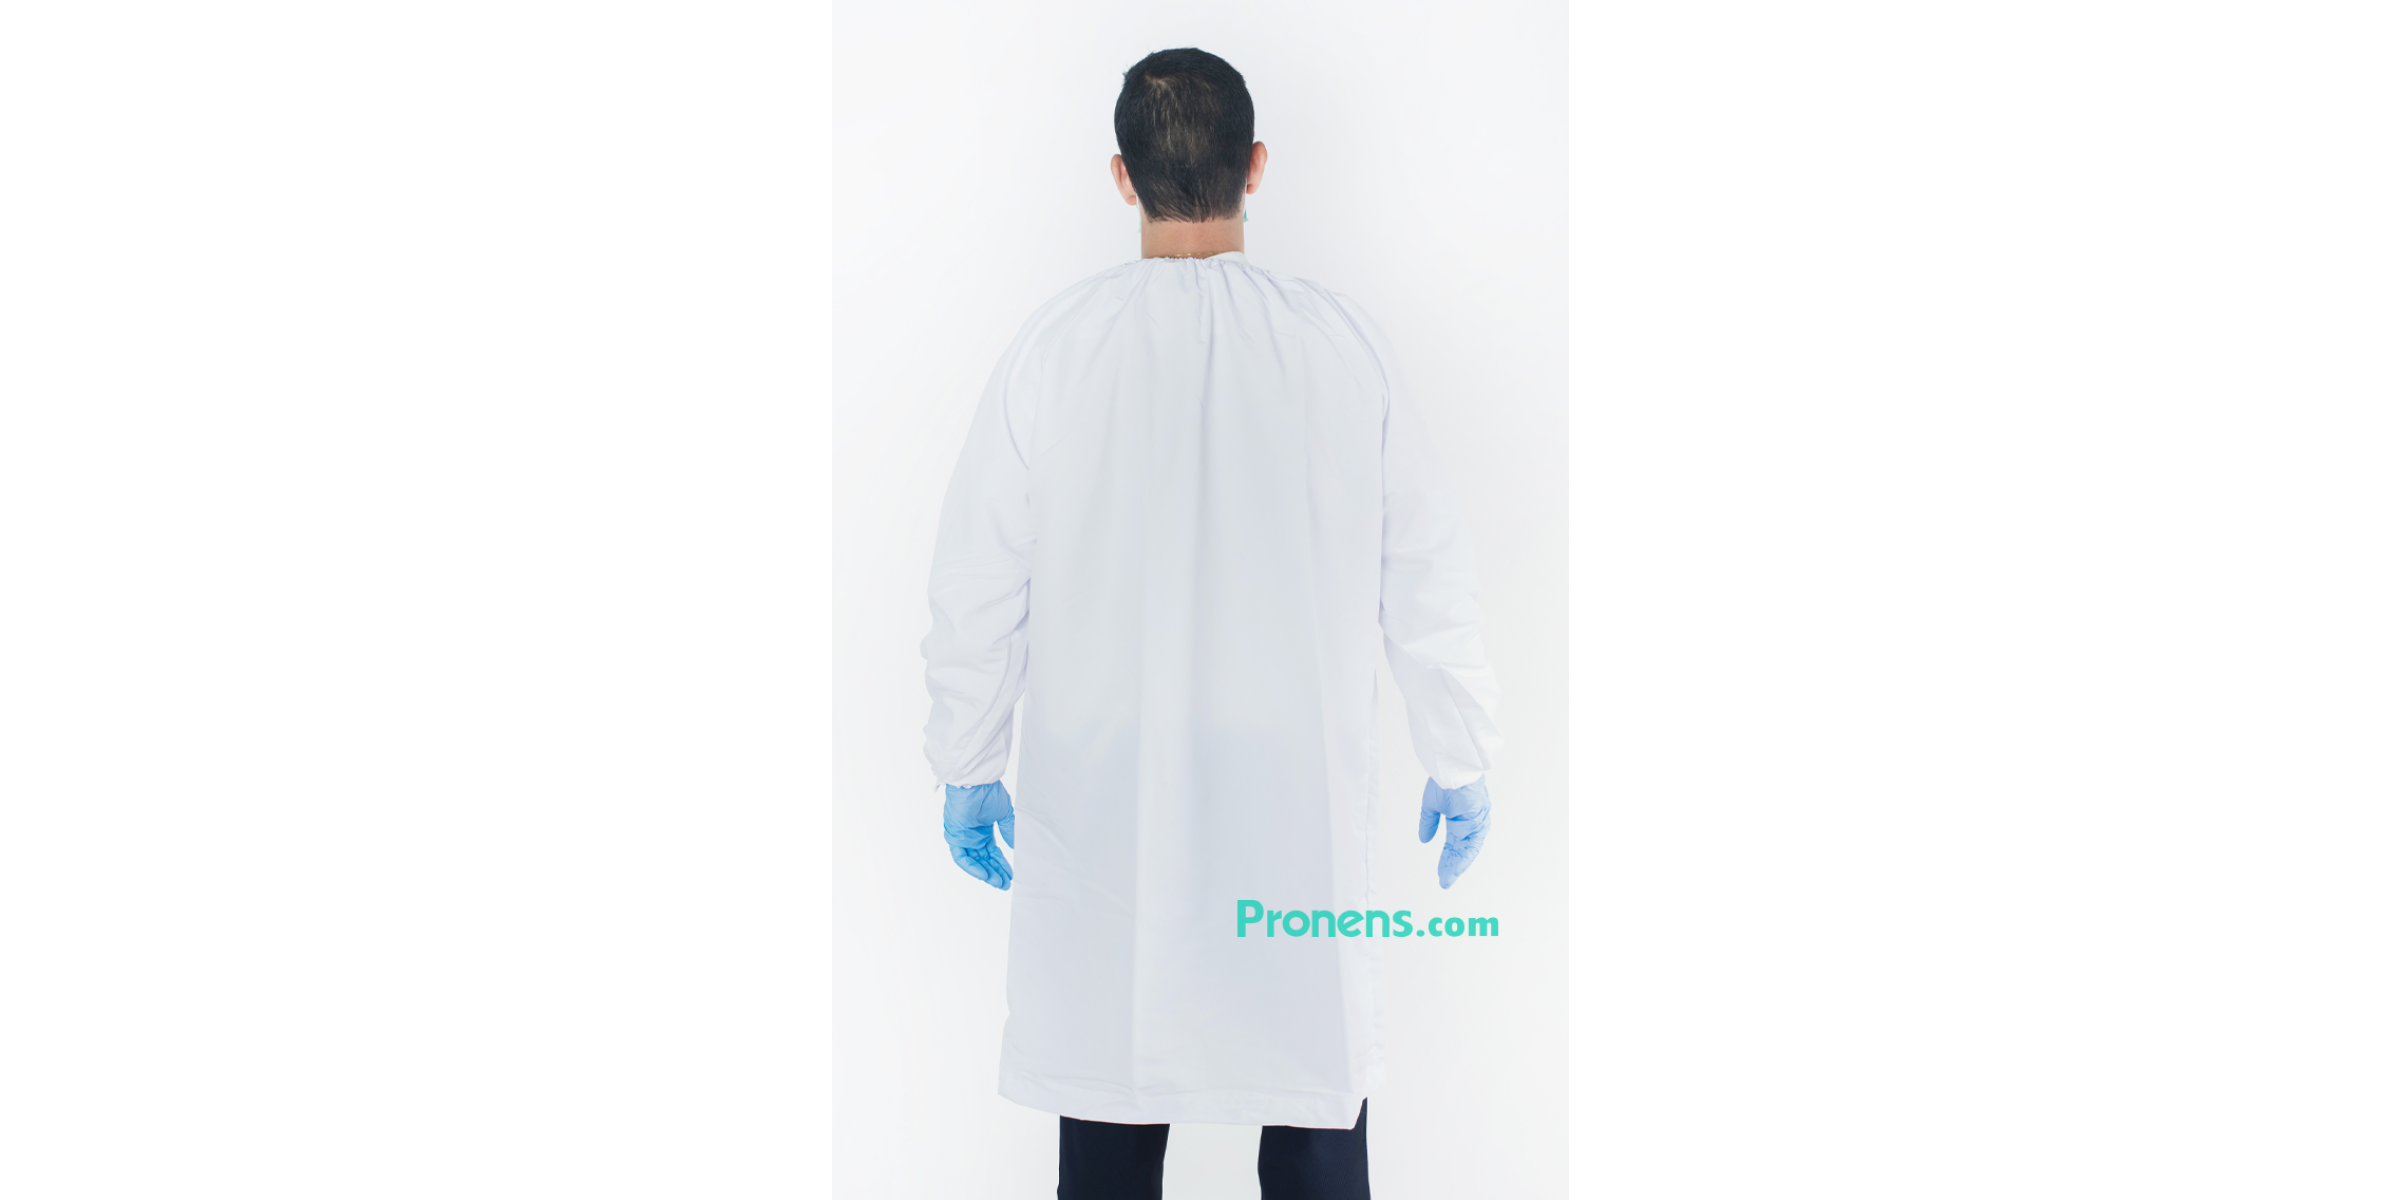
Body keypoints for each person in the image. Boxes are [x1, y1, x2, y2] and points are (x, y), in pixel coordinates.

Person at [920, 47, 1502, 1200]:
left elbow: (975, 585)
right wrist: (1462, 753)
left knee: (1110, 1112)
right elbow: (1428, 574)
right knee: (1313, 1101)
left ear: (1121, 178)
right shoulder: (1342, 347)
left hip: (1107, 793)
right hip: (1295, 798)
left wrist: (966, 761)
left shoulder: (1054, 351)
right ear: (1257, 166)